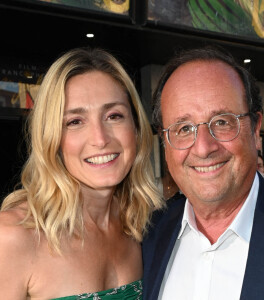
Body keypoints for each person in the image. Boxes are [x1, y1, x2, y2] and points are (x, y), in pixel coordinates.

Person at [0, 47, 164, 299]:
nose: (100, 139)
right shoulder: (13, 235)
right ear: (52, 138)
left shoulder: (143, 226)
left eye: (114, 116)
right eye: (75, 121)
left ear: (137, 128)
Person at [142, 46, 264, 300]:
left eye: (222, 122)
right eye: (184, 128)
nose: (204, 148)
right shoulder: (148, 236)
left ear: (255, 128)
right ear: (164, 141)